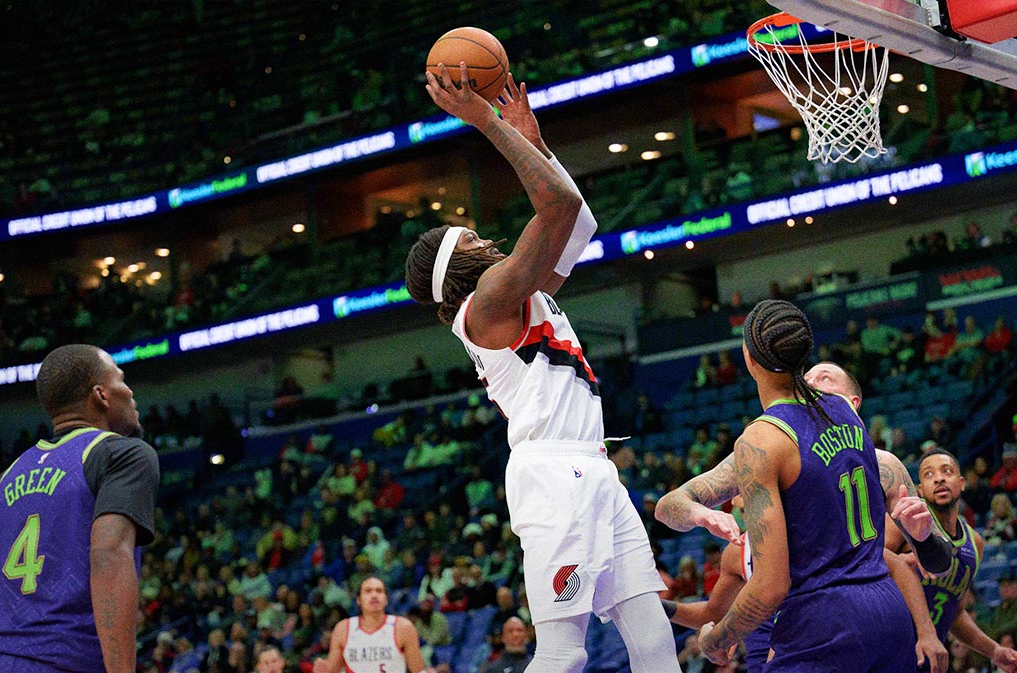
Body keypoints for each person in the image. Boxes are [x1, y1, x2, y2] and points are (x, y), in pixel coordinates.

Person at [405, 69, 677, 673]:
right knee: (563, 650)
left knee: (654, 637)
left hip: (590, 468)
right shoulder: (490, 303)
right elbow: (557, 205)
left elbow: (578, 225)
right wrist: (490, 123)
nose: (487, 239)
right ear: (462, 264)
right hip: (556, 475)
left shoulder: (518, 293)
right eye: (473, 238)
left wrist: (539, 147)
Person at [657, 361, 952, 672]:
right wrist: (698, 512)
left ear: (851, 404)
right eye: (806, 378)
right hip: (807, 620)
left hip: (839, 615)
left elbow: (940, 563)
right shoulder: (772, 448)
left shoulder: (883, 463)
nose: (809, 384)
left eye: (824, 378)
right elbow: (669, 504)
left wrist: (922, 539)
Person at [686, 301, 922, 672]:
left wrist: (716, 641)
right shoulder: (844, 411)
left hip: (824, 620)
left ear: (749, 358)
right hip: (886, 608)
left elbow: (769, 587)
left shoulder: (762, 439)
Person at [0, 344, 160, 673]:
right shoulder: (124, 454)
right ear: (101, 395)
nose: (130, 390)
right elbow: (108, 555)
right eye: (121, 379)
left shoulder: (8, 477)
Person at [903, 450, 1017, 673]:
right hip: (889, 651)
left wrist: (994, 651)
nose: (939, 478)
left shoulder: (974, 543)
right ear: (919, 490)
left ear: (961, 483)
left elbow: (955, 614)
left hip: (928, 660)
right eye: (929, 474)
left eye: (946, 471)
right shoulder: (906, 521)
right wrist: (899, 562)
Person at [318, 577, 425, 673]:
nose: (374, 595)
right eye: (368, 591)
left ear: (386, 599)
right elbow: (332, 670)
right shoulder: (343, 629)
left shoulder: (403, 627)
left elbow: (418, 670)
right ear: (359, 600)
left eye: (379, 591)